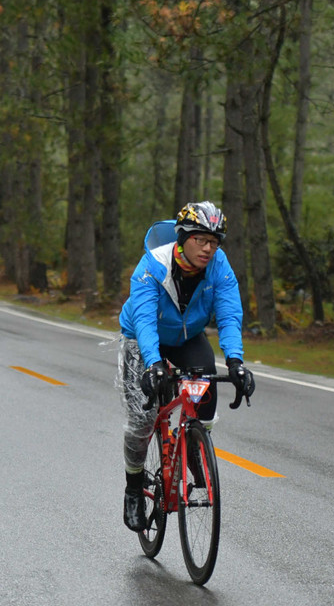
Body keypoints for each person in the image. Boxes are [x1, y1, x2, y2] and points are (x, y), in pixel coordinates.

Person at [118, 201, 255, 532]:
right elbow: (145, 319)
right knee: (141, 421)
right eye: (201, 240)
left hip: (187, 337)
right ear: (182, 238)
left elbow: (229, 312)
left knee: (206, 383)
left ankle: (195, 446)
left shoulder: (219, 266)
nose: (209, 248)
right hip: (142, 336)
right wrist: (153, 364)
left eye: (215, 241)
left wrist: (236, 361)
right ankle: (134, 488)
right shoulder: (153, 265)